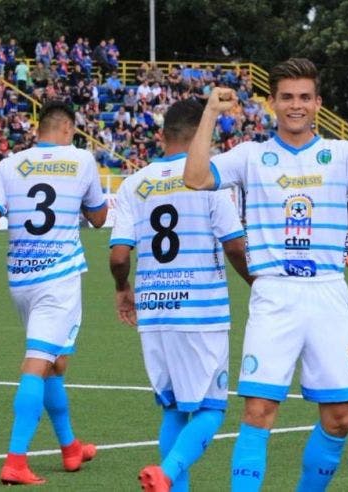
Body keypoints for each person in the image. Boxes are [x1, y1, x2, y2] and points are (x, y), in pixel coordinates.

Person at [183, 58, 348, 491]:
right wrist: (210, 113)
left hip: (328, 294)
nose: (296, 105)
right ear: (272, 103)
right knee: (258, 413)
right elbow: (195, 177)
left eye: (305, 97)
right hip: (274, 295)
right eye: (287, 97)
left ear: (317, 103)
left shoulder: (340, 154)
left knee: (341, 417)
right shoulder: (252, 155)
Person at [0, 101, 107, 484]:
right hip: (59, 279)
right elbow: (99, 218)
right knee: (38, 364)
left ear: (39, 129)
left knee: (56, 363)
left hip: (21, 279)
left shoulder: (9, 164)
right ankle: (15, 460)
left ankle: (70, 448)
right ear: (68, 129)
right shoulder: (82, 160)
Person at [109, 99, 252, 492]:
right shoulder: (209, 179)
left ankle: (170, 482)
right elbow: (235, 247)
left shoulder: (134, 183)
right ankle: (167, 473)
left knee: (172, 407)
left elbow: (120, 255)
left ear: (162, 135)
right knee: (211, 409)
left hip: (154, 310)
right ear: (205, 135)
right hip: (200, 312)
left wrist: (123, 290)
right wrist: (259, 285)